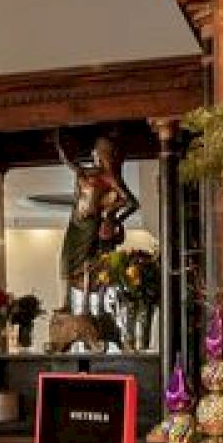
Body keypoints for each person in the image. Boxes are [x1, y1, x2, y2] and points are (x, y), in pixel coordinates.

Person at [55, 131, 138, 315]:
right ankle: (65, 303)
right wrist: (62, 150)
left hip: (89, 225)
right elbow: (73, 166)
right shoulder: (88, 171)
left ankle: (86, 304)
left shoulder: (110, 178)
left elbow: (132, 203)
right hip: (75, 220)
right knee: (64, 260)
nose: (95, 155)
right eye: (95, 151)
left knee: (80, 263)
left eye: (99, 151)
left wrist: (114, 219)